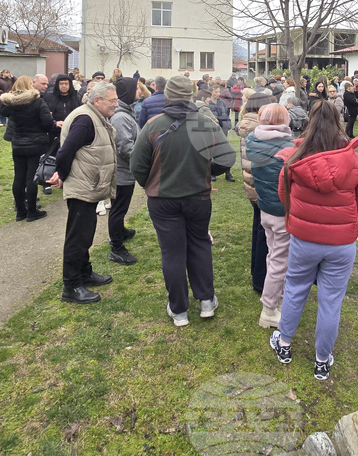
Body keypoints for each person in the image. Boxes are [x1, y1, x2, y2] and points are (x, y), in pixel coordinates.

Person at [268, 101, 358, 380]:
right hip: (341, 242)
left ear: (309, 122)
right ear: (338, 123)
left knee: (296, 288)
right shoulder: (355, 161)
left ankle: (284, 343)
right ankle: (322, 359)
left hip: (304, 239)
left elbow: (283, 195)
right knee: (331, 301)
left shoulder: (294, 157)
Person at [130, 74, 236, 326]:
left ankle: (178, 310)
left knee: (172, 252)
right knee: (200, 244)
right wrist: (207, 172)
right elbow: (226, 158)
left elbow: (136, 165)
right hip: (198, 196)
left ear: (166, 95)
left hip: (163, 199)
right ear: (191, 95)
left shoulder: (153, 125)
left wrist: (151, 182)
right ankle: (206, 301)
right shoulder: (205, 123)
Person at [47, 82, 118, 304]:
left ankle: (85, 273)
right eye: (112, 101)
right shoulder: (85, 119)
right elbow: (65, 151)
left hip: (88, 186)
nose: (116, 105)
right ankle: (71, 286)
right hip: (82, 187)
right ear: (97, 101)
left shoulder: (94, 116)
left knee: (85, 234)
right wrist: (63, 174)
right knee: (77, 238)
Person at [246, 104, 295, 329]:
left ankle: (276, 297)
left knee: (272, 255)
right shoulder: (285, 146)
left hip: (265, 207)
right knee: (279, 261)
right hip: (282, 210)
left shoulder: (254, 141)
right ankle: (269, 308)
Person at [0, 76, 55, 221]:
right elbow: (48, 124)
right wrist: (50, 120)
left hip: (18, 143)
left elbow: (4, 112)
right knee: (31, 178)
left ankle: (20, 211)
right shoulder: (37, 101)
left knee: (18, 177)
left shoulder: (11, 103)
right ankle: (31, 211)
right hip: (35, 144)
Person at [239, 90, 277, 294]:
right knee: (265, 232)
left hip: (251, 183)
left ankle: (256, 270)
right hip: (261, 183)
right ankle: (261, 279)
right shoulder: (258, 127)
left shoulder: (246, 122)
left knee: (258, 228)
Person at [108, 77, 140, 266]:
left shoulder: (126, 112)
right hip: (121, 172)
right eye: (136, 89)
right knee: (118, 208)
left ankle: (120, 231)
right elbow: (125, 147)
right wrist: (143, 158)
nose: (139, 92)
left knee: (121, 206)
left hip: (126, 171)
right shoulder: (120, 117)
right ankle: (116, 248)